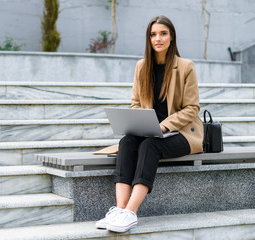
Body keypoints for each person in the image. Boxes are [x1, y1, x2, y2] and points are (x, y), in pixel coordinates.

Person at [95, 15, 204, 233]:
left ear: (171, 37)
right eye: (153, 34)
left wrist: (164, 126)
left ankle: (130, 212)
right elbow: (136, 104)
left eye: (163, 33)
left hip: (182, 133)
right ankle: (119, 209)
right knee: (127, 142)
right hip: (150, 131)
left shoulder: (185, 66)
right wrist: (138, 124)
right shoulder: (142, 66)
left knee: (149, 146)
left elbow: (192, 108)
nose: (158, 38)